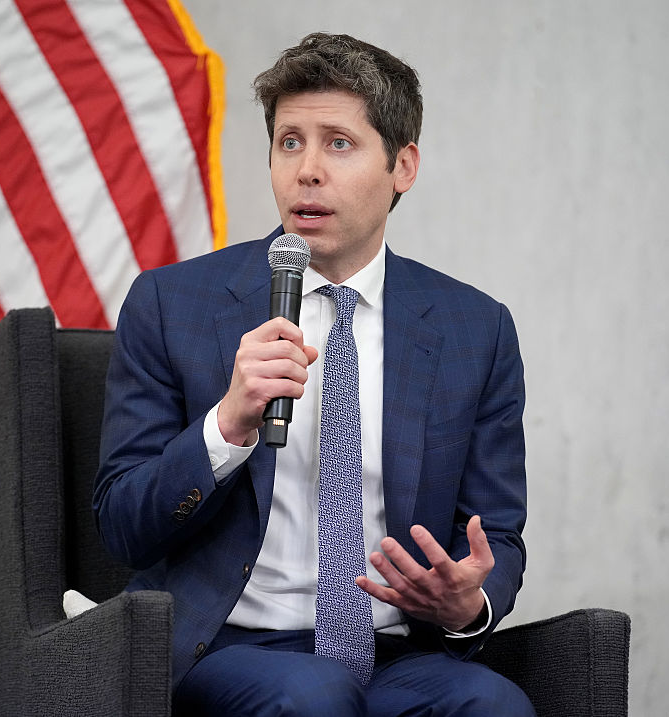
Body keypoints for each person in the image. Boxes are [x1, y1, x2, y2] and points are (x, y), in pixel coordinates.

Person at [93, 32, 534, 716]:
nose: (306, 170)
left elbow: (496, 534)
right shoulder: (170, 304)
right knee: (314, 697)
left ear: (403, 165)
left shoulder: (475, 330)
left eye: (338, 143)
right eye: (290, 142)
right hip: (229, 648)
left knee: (494, 706)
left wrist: (467, 600)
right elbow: (122, 524)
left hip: (398, 656)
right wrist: (225, 426)